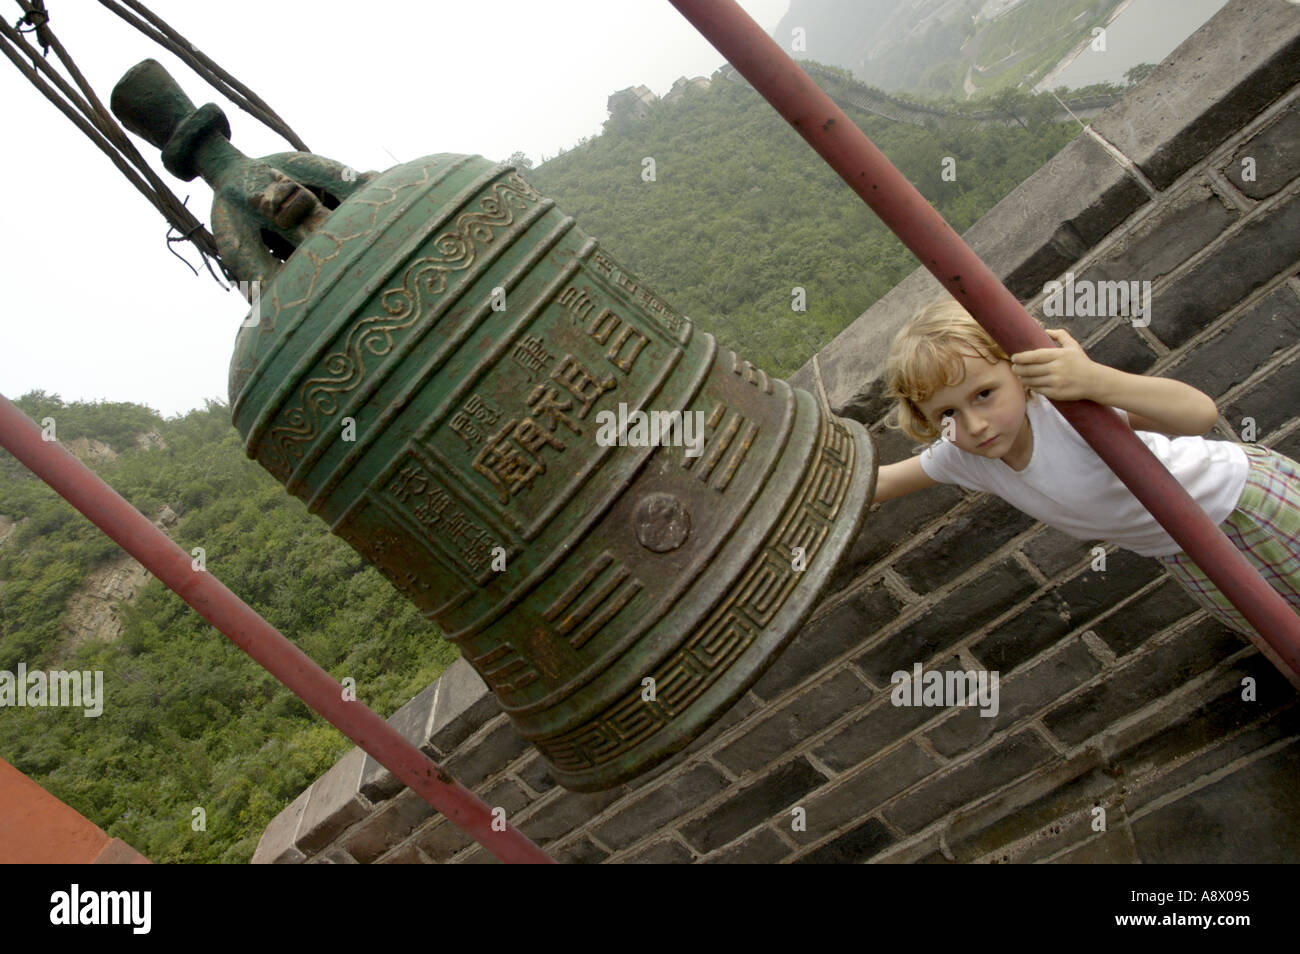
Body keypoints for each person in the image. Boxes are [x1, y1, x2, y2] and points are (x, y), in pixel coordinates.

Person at [872, 295, 1300, 670]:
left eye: (984, 393)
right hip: (1187, 555)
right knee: (1284, 640)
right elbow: (879, 484)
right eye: (947, 414)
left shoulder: (1066, 410)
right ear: (927, 421)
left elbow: (1198, 414)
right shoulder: (965, 455)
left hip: (1244, 505)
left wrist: (1093, 380)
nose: (975, 424)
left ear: (1019, 372)